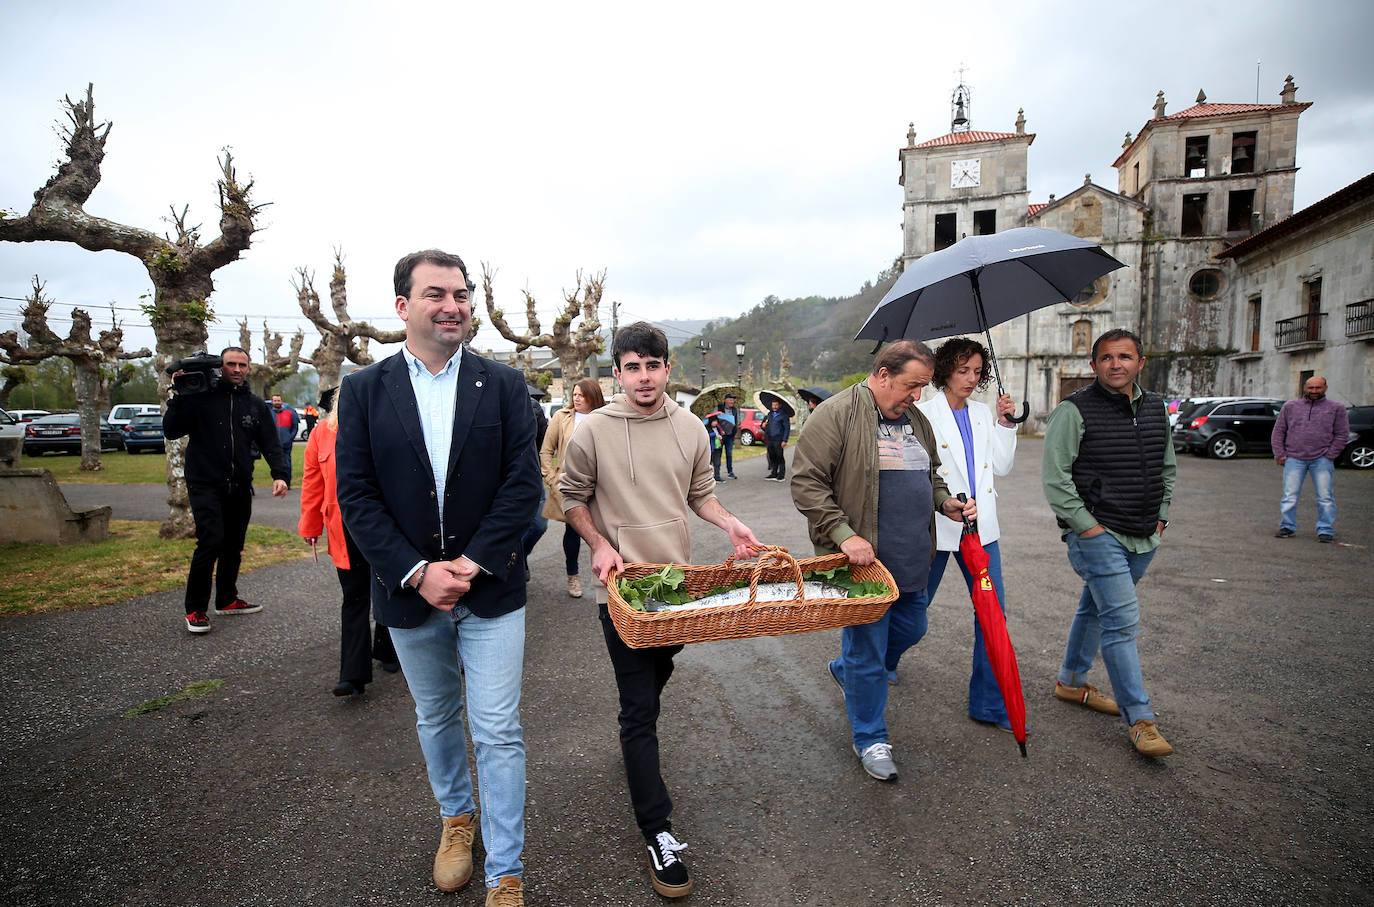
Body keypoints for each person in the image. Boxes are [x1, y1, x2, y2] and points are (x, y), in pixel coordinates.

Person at [336, 249, 540, 905]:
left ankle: (505, 868)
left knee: (499, 727)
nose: (452, 305)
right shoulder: (364, 390)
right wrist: (417, 571)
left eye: (460, 293)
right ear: (403, 306)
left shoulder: (504, 385)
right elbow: (357, 496)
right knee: (435, 717)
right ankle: (457, 819)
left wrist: (473, 561)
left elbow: (522, 487)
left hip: (493, 589)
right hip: (408, 593)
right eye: (436, 293)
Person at [559, 322, 761, 899]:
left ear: (667, 369)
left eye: (653, 365)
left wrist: (730, 523)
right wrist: (599, 545)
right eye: (632, 366)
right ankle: (658, 830)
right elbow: (571, 496)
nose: (643, 377)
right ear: (617, 372)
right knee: (638, 707)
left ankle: (635, 748)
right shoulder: (593, 430)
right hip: (622, 588)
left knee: (659, 674)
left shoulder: (690, 426)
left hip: (678, 590)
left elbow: (701, 493)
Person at [791, 340, 971, 782]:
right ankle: (871, 738)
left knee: (914, 627)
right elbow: (806, 483)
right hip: (863, 565)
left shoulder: (916, 420)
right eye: (912, 385)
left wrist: (945, 502)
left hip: (913, 558)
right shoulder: (835, 414)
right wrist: (844, 535)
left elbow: (930, 475)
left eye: (924, 387)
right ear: (884, 374)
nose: (917, 396)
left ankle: (846, 670)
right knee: (870, 653)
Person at [1043, 328, 1176, 759]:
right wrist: (1087, 527)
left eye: (1124, 356)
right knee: (1121, 623)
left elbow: (1167, 466)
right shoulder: (1073, 410)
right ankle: (1141, 719)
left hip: (1145, 533)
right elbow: (1056, 478)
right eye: (1105, 358)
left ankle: (1071, 681)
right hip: (1098, 534)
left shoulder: (1157, 408)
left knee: (1096, 607)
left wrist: (1162, 516)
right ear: (1093, 365)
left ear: (1141, 362)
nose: (1115, 364)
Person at [913, 338, 1019, 724]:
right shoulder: (921, 414)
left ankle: (989, 704)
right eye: (963, 371)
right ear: (944, 372)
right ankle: (862, 665)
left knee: (992, 615)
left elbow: (1002, 467)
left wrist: (1005, 424)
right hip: (940, 526)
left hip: (981, 529)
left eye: (977, 371)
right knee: (913, 610)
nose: (971, 379)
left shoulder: (980, 414)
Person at [163, 346, 290, 635]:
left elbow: (270, 442)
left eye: (242, 365)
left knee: (234, 544)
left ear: (249, 368)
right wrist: (178, 397)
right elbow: (171, 430)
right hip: (205, 483)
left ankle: (227, 599)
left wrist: (280, 475)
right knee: (211, 541)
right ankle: (195, 609)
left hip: (239, 485)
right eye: (230, 364)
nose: (236, 369)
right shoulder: (200, 398)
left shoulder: (255, 405)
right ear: (220, 367)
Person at [298, 386, 399, 697]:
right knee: (354, 597)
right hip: (344, 528)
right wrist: (310, 524)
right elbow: (313, 481)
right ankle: (353, 675)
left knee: (390, 587)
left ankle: (387, 649)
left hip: (385, 526)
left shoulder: (389, 427)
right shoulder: (320, 435)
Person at [540, 377, 606, 599]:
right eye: (574, 395)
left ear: (592, 397)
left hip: (600, 485)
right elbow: (546, 450)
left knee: (606, 530)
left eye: (581, 395)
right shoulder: (562, 417)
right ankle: (573, 575)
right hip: (569, 486)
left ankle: (610, 576)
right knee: (574, 530)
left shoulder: (604, 418)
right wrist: (552, 479)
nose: (576, 398)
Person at [1271, 376, 1348, 542]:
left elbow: (1342, 434)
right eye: (1311, 388)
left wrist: (1330, 454)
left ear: (1325, 388)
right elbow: (1279, 431)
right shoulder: (1290, 406)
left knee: (1325, 497)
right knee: (1289, 495)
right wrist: (1279, 453)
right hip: (1294, 458)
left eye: (1318, 388)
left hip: (1321, 459)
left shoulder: (1336, 408)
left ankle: (1325, 529)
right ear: (1305, 388)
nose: (1314, 391)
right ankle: (1287, 526)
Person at [520, 390, 550, 581]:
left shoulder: (533, 407)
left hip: (532, 478)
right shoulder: (494, 403)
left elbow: (542, 441)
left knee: (539, 524)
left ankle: (519, 557)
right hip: (502, 479)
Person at [270, 394, 300, 483]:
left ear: (281, 401)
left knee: (287, 463)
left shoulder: (290, 412)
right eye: (275, 401)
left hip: (286, 443)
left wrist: (290, 438)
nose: (277, 402)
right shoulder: (269, 413)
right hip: (274, 444)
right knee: (276, 464)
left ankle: (287, 481)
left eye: (278, 400)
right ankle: (278, 481)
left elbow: (295, 427)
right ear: (272, 402)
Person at [763, 398, 791, 481]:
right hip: (770, 438)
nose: (774, 407)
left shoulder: (784, 415)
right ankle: (774, 473)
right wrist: (763, 425)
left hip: (779, 439)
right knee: (772, 456)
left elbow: (787, 428)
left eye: (776, 405)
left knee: (779, 457)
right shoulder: (769, 414)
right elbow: (764, 426)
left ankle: (781, 475)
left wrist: (785, 440)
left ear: (779, 405)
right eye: (773, 405)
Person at [719, 392, 740, 479]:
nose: (732, 401)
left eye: (733, 399)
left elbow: (736, 422)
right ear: (725, 400)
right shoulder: (719, 408)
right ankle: (716, 473)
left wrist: (736, 430)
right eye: (730, 399)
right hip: (720, 435)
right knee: (717, 454)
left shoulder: (735, 410)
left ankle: (730, 472)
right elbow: (714, 419)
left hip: (730, 435)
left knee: (729, 454)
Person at [705, 415, 725, 481]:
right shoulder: (706, 428)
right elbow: (706, 436)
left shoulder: (718, 428)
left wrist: (721, 435)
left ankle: (717, 476)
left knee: (717, 463)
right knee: (709, 463)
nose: (715, 423)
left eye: (716, 421)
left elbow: (720, 434)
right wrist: (714, 434)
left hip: (718, 447)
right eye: (714, 421)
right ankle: (708, 477)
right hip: (711, 448)